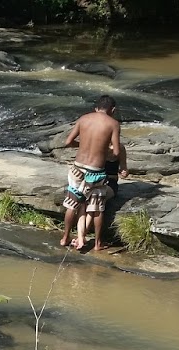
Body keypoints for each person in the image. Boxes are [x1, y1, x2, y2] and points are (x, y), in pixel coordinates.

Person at [59, 95, 127, 253]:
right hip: (95, 172)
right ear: (113, 110)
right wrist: (103, 150)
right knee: (96, 208)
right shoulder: (113, 124)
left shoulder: (84, 119)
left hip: (77, 168)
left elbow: (68, 142)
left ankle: (65, 237)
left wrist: (82, 144)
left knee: (72, 204)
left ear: (96, 108)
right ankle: (97, 243)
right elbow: (116, 151)